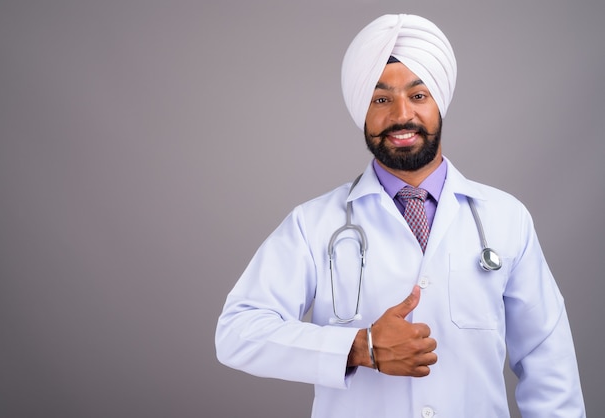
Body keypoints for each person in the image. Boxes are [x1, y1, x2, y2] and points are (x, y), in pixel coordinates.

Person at [215, 13, 585, 418]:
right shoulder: (313, 223)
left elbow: (549, 365)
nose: (401, 115)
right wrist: (359, 347)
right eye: (381, 99)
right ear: (363, 111)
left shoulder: (506, 218)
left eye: (418, 95)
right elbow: (236, 333)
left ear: (439, 102)